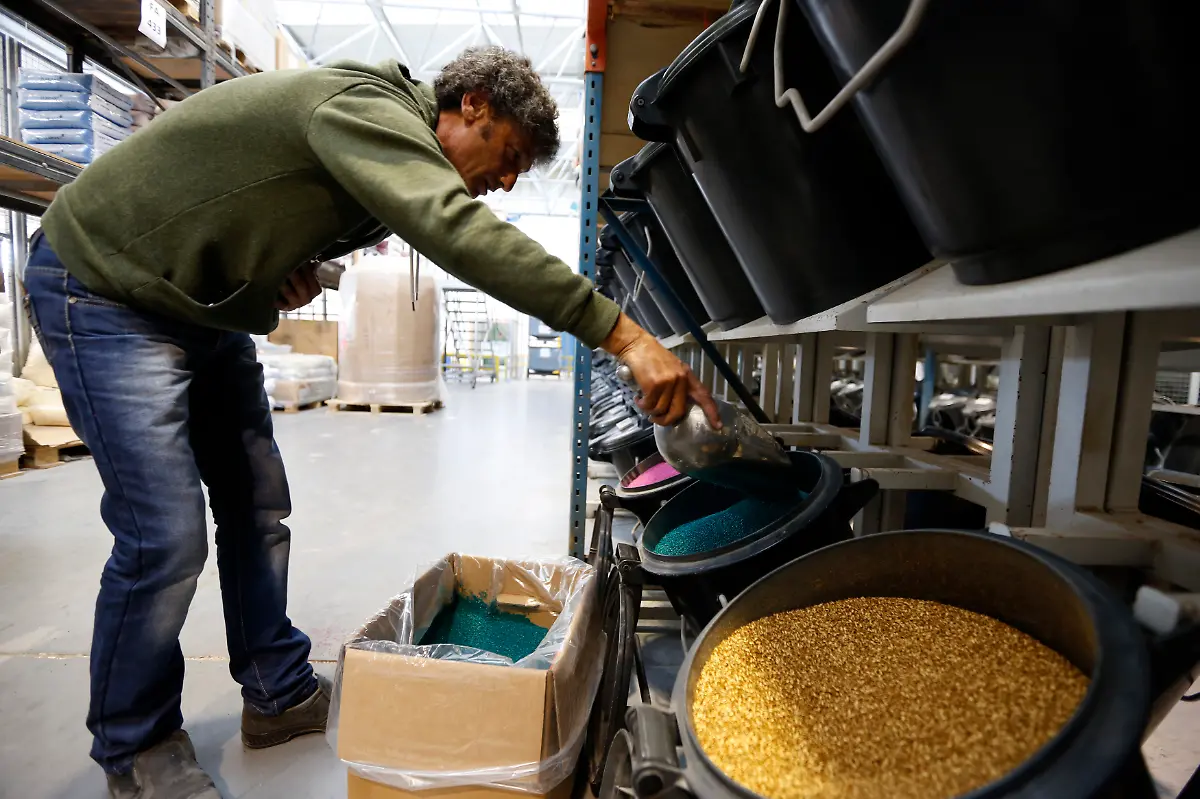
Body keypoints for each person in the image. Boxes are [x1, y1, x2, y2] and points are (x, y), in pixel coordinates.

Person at [23, 47, 717, 799]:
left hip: (201, 306)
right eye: (508, 154)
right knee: (164, 533)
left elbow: (266, 209)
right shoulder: (366, 110)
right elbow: (455, 229)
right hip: (106, 287)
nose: (507, 181)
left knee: (257, 509)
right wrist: (625, 334)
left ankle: (276, 692)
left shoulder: (377, 139)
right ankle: (137, 743)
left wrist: (285, 263)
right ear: (473, 104)